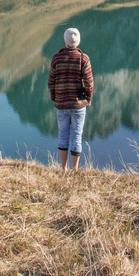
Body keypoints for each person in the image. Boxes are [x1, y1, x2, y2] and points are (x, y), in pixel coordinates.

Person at [47, 26, 93, 171]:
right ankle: (75, 169)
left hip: (61, 104)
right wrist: (88, 97)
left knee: (63, 135)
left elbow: (51, 82)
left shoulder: (56, 58)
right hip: (78, 105)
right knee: (77, 137)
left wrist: (55, 97)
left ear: (65, 42)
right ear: (77, 42)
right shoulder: (83, 59)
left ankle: (64, 169)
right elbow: (89, 83)